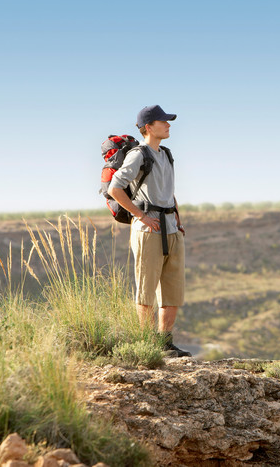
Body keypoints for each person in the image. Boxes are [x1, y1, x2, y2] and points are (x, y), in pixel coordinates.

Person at [108, 104, 191, 357]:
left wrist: (176, 217)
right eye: (163, 122)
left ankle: (164, 343)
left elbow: (169, 190)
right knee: (146, 289)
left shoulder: (166, 154)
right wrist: (141, 215)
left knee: (172, 289)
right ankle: (147, 344)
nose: (168, 125)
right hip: (149, 230)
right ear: (148, 127)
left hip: (171, 229)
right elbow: (115, 188)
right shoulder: (138, 155)